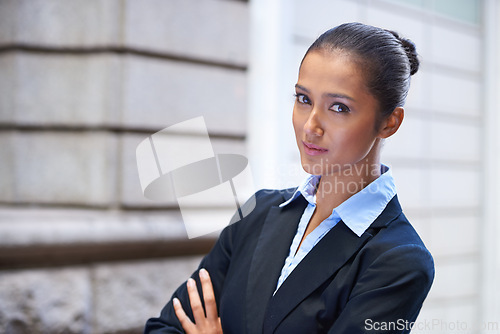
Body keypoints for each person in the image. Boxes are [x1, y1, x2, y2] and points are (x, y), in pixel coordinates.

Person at [144, 22, 434, 334]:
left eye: (339, 107)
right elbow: (164, 328)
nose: (311, 126)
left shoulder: (400, 261)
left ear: (389, 122)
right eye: (303, 99)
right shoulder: (258, 211)